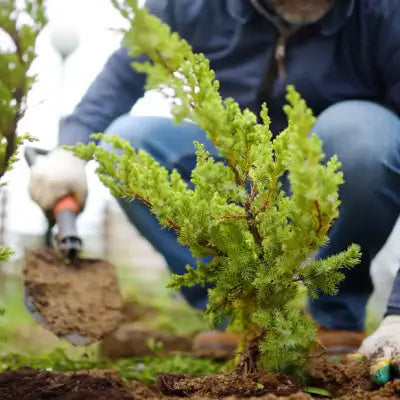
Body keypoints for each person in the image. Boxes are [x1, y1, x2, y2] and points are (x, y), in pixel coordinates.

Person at [29, 0, 400, 383]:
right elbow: (124, 76)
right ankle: (236, 310)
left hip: (334, 174)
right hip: (236, 172)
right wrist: (69, 150)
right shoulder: (193, 5)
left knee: (360, 137)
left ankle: (334, 318)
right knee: (122, 146)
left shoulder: (386, 13)